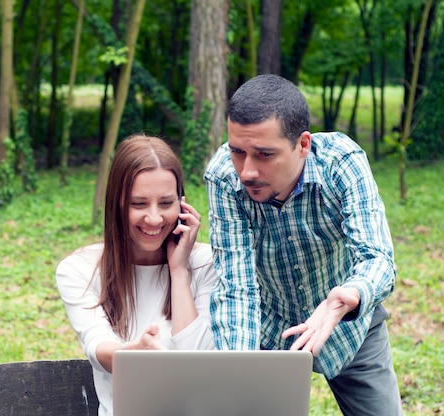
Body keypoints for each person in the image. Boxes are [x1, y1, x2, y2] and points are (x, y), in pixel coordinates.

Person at [204, 74, 403, 415]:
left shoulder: (341, 162)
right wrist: (237, 373)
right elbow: (235, 287)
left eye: (264, 154)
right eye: (238, 151)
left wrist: (349, 295)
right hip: (269, 328)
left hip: (349, 326)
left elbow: (378, 257)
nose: (247, 171)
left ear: (303, 145)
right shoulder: (224, 177)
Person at [56, 134, 217, 416]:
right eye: (139, 204)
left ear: (182, 205)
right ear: (117, 203)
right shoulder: (79, 269)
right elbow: (97, 346)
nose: (154, 219)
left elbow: (198, 361)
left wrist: (179, 270)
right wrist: (133, 357)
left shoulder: (205, 263)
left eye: (166, 203)